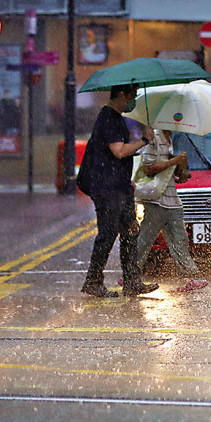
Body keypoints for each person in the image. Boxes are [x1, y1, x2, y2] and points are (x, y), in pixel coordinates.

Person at [80, 84, 158, 298]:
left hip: (119, 187)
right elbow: (119, 151)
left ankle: (132, 282)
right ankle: (93, 282)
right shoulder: (109, 118)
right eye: (132, 96)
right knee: (107, 235)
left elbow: (113, 156)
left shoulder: (115, 118)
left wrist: (126, 180)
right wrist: (144, 140)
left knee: (130, 233)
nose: (133, 101)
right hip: (108, 189)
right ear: (122, 95)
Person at [134, 129, 208, 293]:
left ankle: (190, 277)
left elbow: (172, 174)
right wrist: (173, 161)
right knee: (144, 240)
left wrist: (181, 169)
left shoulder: (169, 140)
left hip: (172, 201)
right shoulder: (155, 138)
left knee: (179, 240)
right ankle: (130, 275)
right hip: (156, 200)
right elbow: (147, 168)